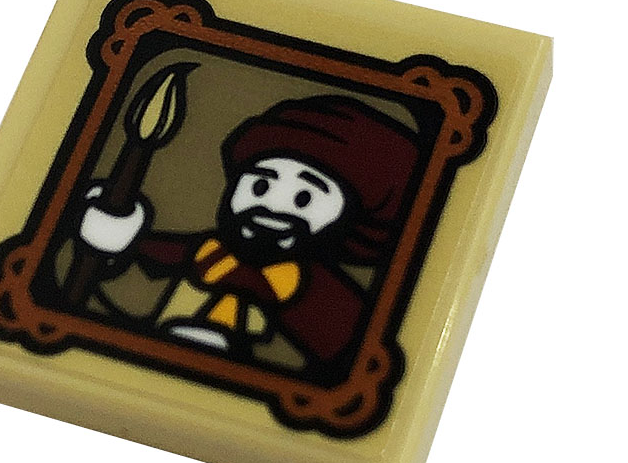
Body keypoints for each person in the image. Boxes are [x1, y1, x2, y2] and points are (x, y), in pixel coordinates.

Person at [78, 95, 419, 372]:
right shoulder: (211, 251)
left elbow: (350, 348)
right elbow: (161, 251)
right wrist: (122, 235)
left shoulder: (320, 291)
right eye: (260, 186)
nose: (271, 207)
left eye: (304, 198)